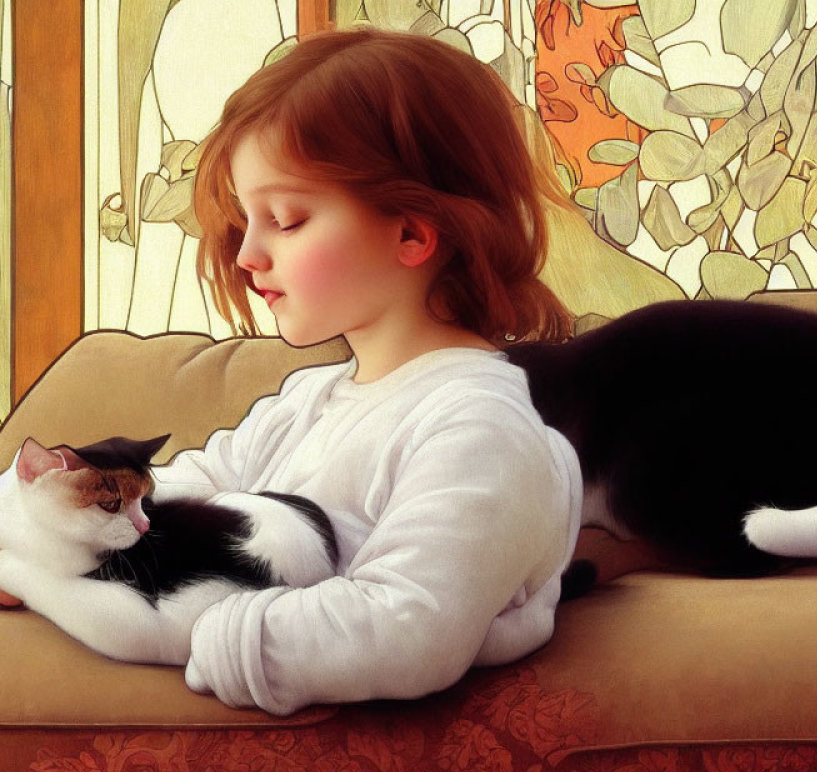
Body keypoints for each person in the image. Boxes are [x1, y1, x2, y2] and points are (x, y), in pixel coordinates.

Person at [148, 27, 583, 715]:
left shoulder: (479, 427)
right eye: (246, 221)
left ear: (412, 232)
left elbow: (405, 628)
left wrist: (178, 627)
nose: (247, 255)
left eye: (286, 220)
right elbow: (172, 495)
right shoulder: (309, 402)